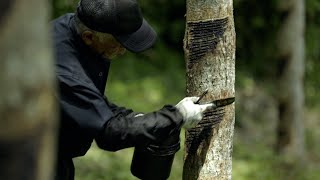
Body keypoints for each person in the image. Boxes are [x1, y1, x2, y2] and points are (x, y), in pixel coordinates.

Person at [51, 0, 213, 179]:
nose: (122, 51)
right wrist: (177, 116)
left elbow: (92, 103)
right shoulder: (63, 69)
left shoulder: (76, 30)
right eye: (119, 43)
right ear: (89, 37)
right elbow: (108, 133)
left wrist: (141, 120)